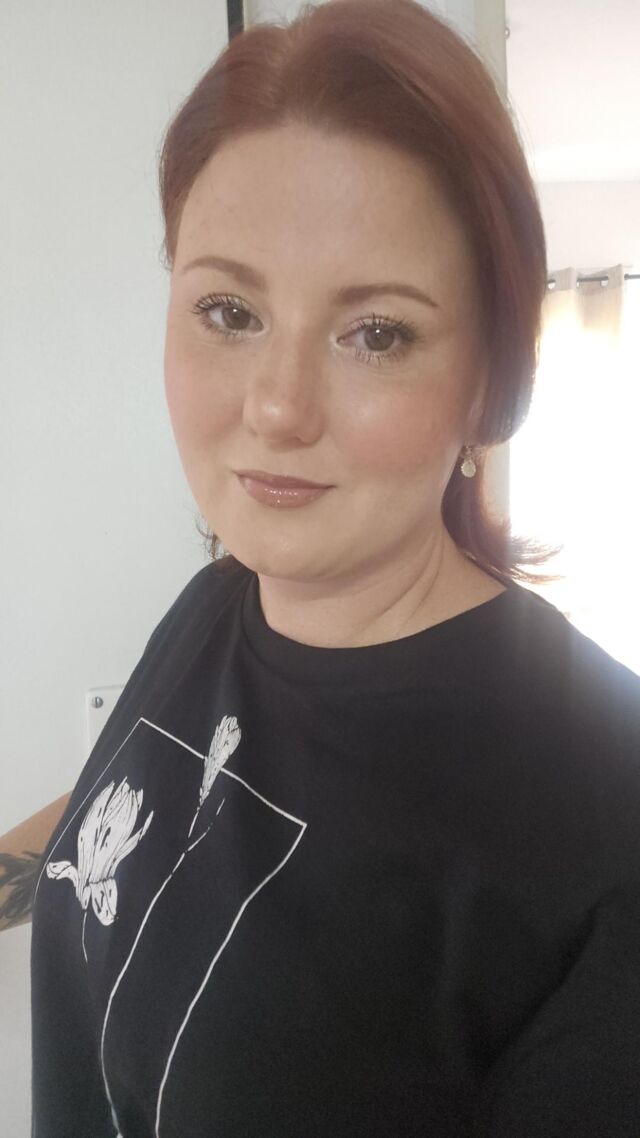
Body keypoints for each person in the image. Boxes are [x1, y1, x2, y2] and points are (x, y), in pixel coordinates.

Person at [4, 0, 640, 1134]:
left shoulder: (604, 818)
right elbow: (154, 785)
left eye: (376, 333)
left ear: (489, 382)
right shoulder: (220, 601)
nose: (277, 408)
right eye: (228, 310)